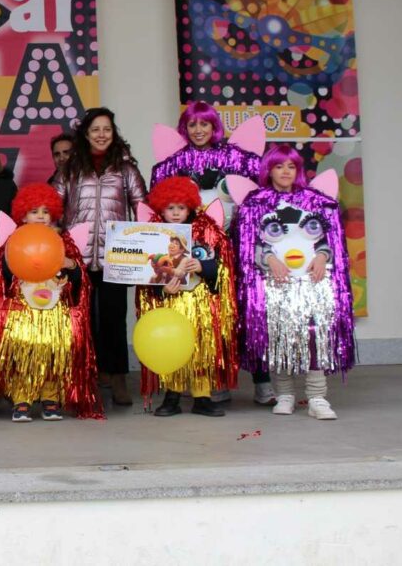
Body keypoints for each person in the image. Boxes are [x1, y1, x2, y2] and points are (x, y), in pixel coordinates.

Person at [150, 102, 274, 406]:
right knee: (208, 317)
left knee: (249, 311)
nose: (198, 130)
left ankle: (263, 381)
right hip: (200, 251)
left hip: (238, 245)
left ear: (214, 126)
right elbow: (161, 213)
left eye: (204, 124)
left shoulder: (239, 159)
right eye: (192, 125)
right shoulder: (171, 163)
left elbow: (259, 199)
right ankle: (212, 381)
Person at [232, 144, 355, 420]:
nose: (285, 172)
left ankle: (317, 398)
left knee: (314, 336)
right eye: (279, 166)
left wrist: (322, 257)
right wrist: (269, 259)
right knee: (278, 338)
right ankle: (284, 394)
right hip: (276, 285)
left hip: (311, 283)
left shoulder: (316, 201)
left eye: (291, 166)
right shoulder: (255, 203)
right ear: (269, 170)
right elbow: (245, 245)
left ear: (298, 170)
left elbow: (329, 241)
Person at [0, 184, 102, 422]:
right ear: (22, 215)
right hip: (22, 311)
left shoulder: (64, 240)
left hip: (55, 311)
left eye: (45, 211)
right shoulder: (13, 241)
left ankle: (51, 399)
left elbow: (80, 281)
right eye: (33, 211)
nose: (40, 216)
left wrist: (70, 266)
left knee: (53, 353)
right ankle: (22, 399)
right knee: (23, 353)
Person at [55, 107, 147, 406]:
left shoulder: (126, 170)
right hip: (75, 258)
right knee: (78, 320)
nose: (101, 135)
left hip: (116, 257)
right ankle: (82, 379)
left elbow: (143, 209)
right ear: (85, 133)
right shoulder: (69, 170)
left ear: (113, 132)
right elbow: (52, 209)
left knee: (113, 318)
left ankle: (118, 377)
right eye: (95, 129)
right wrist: (56, 246)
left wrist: (146, 246)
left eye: (107, 129)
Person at [136, 177, 238, 417]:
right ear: (161, 208)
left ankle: (202, 396)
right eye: (170, 208)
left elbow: (223, 267)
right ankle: (172, 395)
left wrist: (203, 267)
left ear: (190, 207)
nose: (175, 213)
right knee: (171, 345)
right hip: (171, 304)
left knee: (201, 348)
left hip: (200, 302)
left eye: (180, 207)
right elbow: (145, 277)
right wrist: (162, 290)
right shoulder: (152, 235)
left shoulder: (208, 231)